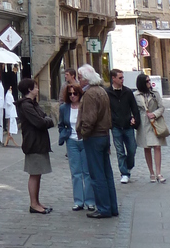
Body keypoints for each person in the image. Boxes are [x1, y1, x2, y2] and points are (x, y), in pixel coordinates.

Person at [76, 64, 118, 219]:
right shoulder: (101, 91)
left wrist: (84, 133)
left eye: (80, 78)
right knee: (106, 173)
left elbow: (89, 119)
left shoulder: (90, 94)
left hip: (94, 137)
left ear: (86, 79)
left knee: (97, 174)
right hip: (103, 135)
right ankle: (111, 206)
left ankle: (104, 208)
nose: (78, 80)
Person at [17, 77, 54, 214]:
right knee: (34, 173)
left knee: (38, 173)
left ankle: (37, 202)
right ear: (29, 89)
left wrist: (46, 120)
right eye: (35, 87)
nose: (38, 89)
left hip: (39, 141)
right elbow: (40, 122)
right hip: (33, 142)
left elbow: (45, 117)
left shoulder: (33, 104)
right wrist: (47, 121)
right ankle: (33, 204)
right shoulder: (26, 105)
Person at [58, 83, 95, 211]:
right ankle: (78, 201)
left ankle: (90, 201)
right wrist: (65, 135)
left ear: (80, 94)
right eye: (70, 94)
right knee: (75, 173)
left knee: (87, 172)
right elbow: (61, 124)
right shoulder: (64, 108)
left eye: (75, 93)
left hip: (84, 140)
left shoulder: (84, 106)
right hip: (71, 141)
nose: (73, 96)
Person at [107, 68, 141, 184]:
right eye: (120, 78)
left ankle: (129, 165)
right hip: (116, 126)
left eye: (123, 77)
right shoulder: (108, 93)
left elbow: (134, 108)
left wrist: (135, 120)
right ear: (113, 78)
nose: (122, 80)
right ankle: (124, 173)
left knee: (132, 149)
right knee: (120, 151)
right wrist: (110, 122)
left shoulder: (127, 92)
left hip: (128, 126)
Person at [135, 73, 169, 182]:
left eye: (149, 80)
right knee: (147, 147)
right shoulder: (135, 95)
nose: (149, 83)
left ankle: (159, 173)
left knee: (157, 146)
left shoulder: (155, 93)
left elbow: (161, 107)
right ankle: (151, 173)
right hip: (143, 123)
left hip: (155, 122)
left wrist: (154, 114)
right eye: (147, 81)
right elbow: (133, 109)